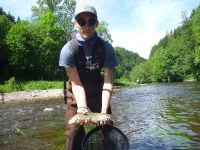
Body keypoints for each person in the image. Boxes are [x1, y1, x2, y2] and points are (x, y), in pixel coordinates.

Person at [59, 4, 118, 150]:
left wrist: (104, 112)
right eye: (81, 21)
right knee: (73, 131)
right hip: (76, 90)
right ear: (75, 23)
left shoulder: (107, 48)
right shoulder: (68, 50)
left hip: (98, 89)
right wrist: (83, 108)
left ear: (97, 23)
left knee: (106, 128)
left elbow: (107, 84)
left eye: (91, 21)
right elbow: (77, 84)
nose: (87, 25)